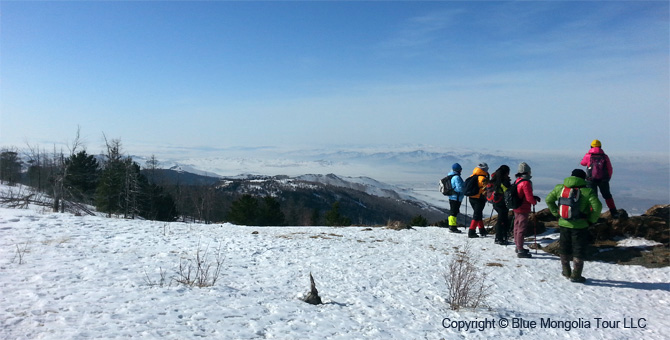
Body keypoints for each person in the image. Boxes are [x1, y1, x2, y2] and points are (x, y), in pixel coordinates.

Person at [546, 169, 602, 283]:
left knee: (564, 247)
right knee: (578, 249)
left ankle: (566, 271)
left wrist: (557, 213)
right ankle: (576, 275)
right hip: (580, 225)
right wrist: (591, 220)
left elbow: (548, 200)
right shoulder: (587, 191)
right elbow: (597, 207)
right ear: (583, 178)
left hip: (563, 223)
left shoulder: (560, 188)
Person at [580, 139, 619, 218]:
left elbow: (582, 163)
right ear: (600, 146)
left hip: (591, 180)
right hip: (603, 180)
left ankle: (593, 215)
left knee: (593, 198)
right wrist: (607, 178)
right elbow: (609, 168)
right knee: (607, 196)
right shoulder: (605, 156)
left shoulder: (588, 155)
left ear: (591, 146)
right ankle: (614, 212)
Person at [513, 162, 541, 258]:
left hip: (517, 206)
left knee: (517, 226)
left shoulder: (518, 181)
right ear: (527, 172)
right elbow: (528, 198)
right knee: (521, 228)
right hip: (523, 207)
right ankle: (520, 249)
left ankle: (518, 246)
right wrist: (534, 201)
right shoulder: (526, 182)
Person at [489, 165, 512, 245]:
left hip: (495, 202)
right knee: (502, 220)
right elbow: (507, 191)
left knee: (501, 219)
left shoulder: (494, 178)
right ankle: (500, 237)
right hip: (502, 203)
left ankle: (500, 237)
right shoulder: (503, 181)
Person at [467, 163, 490, 238]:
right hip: (479, 198)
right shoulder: (483, 178)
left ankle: (482, 229)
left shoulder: (472, 176)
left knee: (478, 214)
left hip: (471, 198)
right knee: (477, 215)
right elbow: (486, 189)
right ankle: (471, 231)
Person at [446, 163, 465, 233]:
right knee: (454, 212)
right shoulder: (456, 177)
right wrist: (464, 189)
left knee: (453, 211)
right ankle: (452, 227)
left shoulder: (451, 176)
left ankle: (452, 226)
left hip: (452, 197)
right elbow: (459, 188)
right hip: (456, 197)